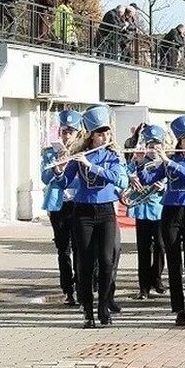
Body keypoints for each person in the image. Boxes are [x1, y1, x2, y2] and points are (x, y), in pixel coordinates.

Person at [56, 105, 125, 329]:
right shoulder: (79, 156)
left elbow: (118, 180)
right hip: (83, 212)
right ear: (91, 136)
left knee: (106, 262)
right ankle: (87, 311)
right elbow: (64, 182)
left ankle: (103, 306)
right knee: (84, 263)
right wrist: (59, 170)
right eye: (100, 134)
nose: (104, 137)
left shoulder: (113, 156)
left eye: (107, 133)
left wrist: (92, 166)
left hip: (106, 211)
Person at [139, 115, 185, 326]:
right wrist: (141, 163)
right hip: (170, 212)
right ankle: (178, 308)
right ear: (179, 141)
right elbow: (148, 179)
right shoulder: (169, 160)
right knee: (174, 261)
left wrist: (167, 161)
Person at [40, 110, 83, 306]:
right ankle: (68, 290)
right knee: (63, 249)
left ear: (78, 133)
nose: (67, 136)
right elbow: (45, 178)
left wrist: (69, 166)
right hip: (59, 206)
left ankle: (82, 285)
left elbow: (79, 181)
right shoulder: (50, 152)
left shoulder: (82, 152)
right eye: (64, 131)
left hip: (78, 204)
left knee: (80, 247)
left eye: (71, 132)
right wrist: (57, 164)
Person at [126, 124, 166, 299]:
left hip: (160, 209)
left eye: (157, 146)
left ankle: (157, 279)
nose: (154, 150)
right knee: (143, 249)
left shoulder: (165, 163)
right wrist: (131, 177)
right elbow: (125, 174)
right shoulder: (136, 163)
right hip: (141, 208)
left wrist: (164, 186)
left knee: (160, 246)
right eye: (150, 146)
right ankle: (143, 287)